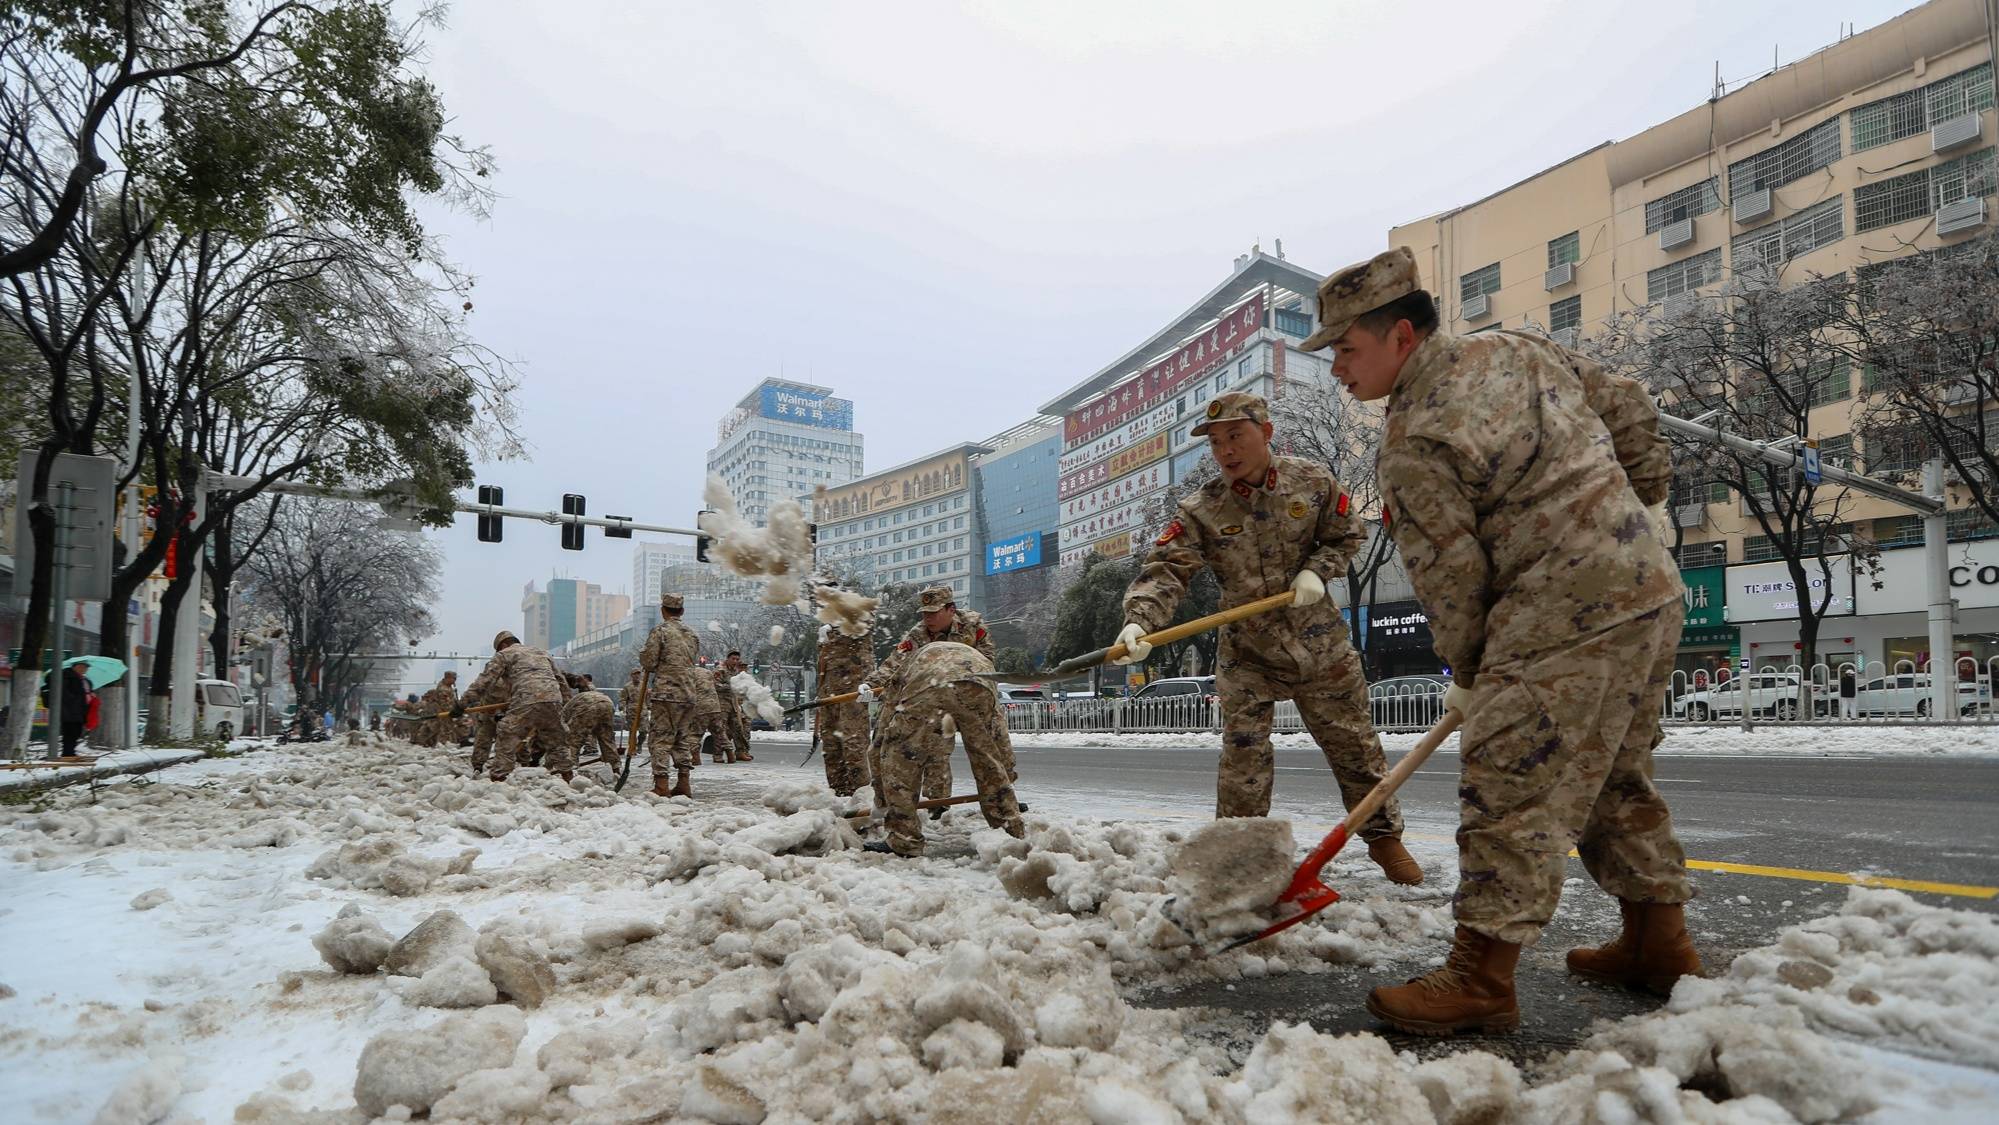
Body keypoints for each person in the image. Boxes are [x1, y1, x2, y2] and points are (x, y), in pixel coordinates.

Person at [1299, 246, 1697, 1034]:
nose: (1337, 369)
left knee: (1509, 787)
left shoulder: (1413, 440)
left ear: (1401, 336)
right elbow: (1626, 405)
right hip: (1649, 587)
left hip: (1556, 613)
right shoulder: (1517, 347)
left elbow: (1453, 579)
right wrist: (1641, 498)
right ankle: (1659, 943)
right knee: (1612, 774)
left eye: (1346, 348)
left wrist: (1474, 671)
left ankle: (1479, 978)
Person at [1116, 390, 1421, 887]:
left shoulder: (1313, 481)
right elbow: (1167, 569)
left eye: (1236, 436)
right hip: (1248, 653)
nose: (1226, 451)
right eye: (1216, 443)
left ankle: (1384, 840)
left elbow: (1346, 534)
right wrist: (1140, 621)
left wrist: (1318, 571)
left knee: (1354, 746)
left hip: (1320, 644)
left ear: (1266, 433)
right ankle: (1239, 856)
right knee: (1243, 758)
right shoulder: (1201, 509)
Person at [864, 641, 1024, 857]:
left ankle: (904, 839)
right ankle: (1010, 831)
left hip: (930, 686)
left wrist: (882, 798)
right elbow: (999, 739)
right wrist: (1006, 771)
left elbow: (883, 737)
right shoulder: (970, 652)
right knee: (988, 759)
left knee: (899, 758)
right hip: (979, 681)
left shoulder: (904, 670)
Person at [861, 585, 1003, 813]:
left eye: (933, 612)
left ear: (951, 610)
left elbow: (985, 661)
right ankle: (888, 804)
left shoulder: (972, 626)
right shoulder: (918, 634)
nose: (928, 618)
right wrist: (871, 683)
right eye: (925, 613)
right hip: (915, 694)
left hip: (962, 692)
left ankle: (994, 800)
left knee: (984, 749)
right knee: (882, 747)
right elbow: (896, 661)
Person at [458, 630, 574, 782]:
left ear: (504, 644)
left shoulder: (504, 654)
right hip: (553, 699)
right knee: (557, 737)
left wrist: (461, 704)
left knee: (507, 732)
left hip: (526, 698)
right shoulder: (541, 653)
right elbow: (561, 681)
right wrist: (565, 704)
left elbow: (485, 681)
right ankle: (568, 777)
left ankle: (498, 777)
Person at [638, 595, 704, 797]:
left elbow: (649, 662)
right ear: (682, 611)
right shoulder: (692, 634)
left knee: (660, 740)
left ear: (663, 610)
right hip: (689, 694)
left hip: (667, 694)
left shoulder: (661, 631)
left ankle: (661, 786)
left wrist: (644, 655)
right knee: (681, 739)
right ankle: (684, 783)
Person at [815, 623, 873, 796]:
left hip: (854, 694)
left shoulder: (858, 621)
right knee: (831, 748)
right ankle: (839, 794)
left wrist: (838, 629)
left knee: (854, 748)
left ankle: (861, 797)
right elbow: (823, 667)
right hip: (829, 695)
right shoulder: (825, 629)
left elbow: (864, 640)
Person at [562, 673, 619, 772]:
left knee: (572, 740)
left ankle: (570, 771)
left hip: (588, 704)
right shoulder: (583, 693)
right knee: (607, 739)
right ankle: (616, 768)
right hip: (607, 702)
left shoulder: (567, 706)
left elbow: (563, 724)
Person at [40, 663, 90, 758]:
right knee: (70, 732)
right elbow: (64, 693)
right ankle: (68, 753)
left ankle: (70, 752)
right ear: (75, 666)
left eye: (86, 668)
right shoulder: (67, 676)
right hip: (69, 709)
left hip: (77, 710)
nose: (85, 670)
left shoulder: (81, 679)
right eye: (83, 667)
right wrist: (74, 700)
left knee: (76, 732)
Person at [713, 652, 755, 762]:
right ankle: (718, 755)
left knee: (738, 727)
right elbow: (715, 685)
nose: (735, 661)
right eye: (733, 659)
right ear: (728, 659)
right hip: (722, 703)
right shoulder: (720, 669)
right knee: (721, 729)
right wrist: (730, 686)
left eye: (737, 659)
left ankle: (740, 752)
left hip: (734, 703)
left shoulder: (736, 671)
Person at [416, 671, 458, 748]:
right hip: (443, 713)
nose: (455, 681)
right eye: (453, 679)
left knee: (443, 729)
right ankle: (441, 744)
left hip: (444, 713)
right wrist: (453, 712)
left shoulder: (448, 687)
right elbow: (445, 704)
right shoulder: (443, 689)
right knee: (444, 729)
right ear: (448, 678)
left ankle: (438, 744)